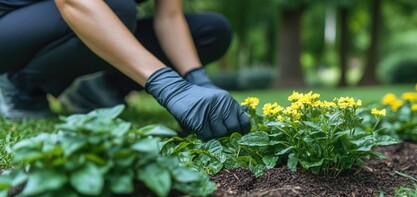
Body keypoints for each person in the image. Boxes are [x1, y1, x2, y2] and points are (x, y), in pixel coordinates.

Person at [0, 0, 250, 140]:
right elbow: (74, 2)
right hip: (10, 28)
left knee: (211, 31)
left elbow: (170, 17)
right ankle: (20, 85)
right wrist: (168, 86)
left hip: (87, 18)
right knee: (119, 9)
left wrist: (197, 79)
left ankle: (97, 88)